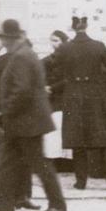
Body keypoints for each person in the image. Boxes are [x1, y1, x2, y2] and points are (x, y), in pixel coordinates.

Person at [0, 20, 66, 211]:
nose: (4, 42)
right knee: (9, 162)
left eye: (5, 38)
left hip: (27, 121)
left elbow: (22, 91)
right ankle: (4, 205)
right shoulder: (23, 54)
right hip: (22, 121)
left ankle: (57, 205)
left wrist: (3, 112)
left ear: (12, 39)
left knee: (40, 164)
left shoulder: (21, 56)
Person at [56, 17, 106, 189]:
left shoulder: (65, 48)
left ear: (73, 28)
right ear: (86, 26)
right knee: (104, 136)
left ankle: (81, 181)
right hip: (94, 96)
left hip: (73, 96)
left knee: (78, 138)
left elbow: (51, 63)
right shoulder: (98, 46)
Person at [41, 30, 73, 163]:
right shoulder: (47, 60)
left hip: (64, 96)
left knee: (63, 127)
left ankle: (66, 159)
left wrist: (51, 87)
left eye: (56, 40)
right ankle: (54, 157)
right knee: (54, 129)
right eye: (52, 40)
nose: (53, 44)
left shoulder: (70, 59)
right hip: (53, 98)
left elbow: (69, 78)